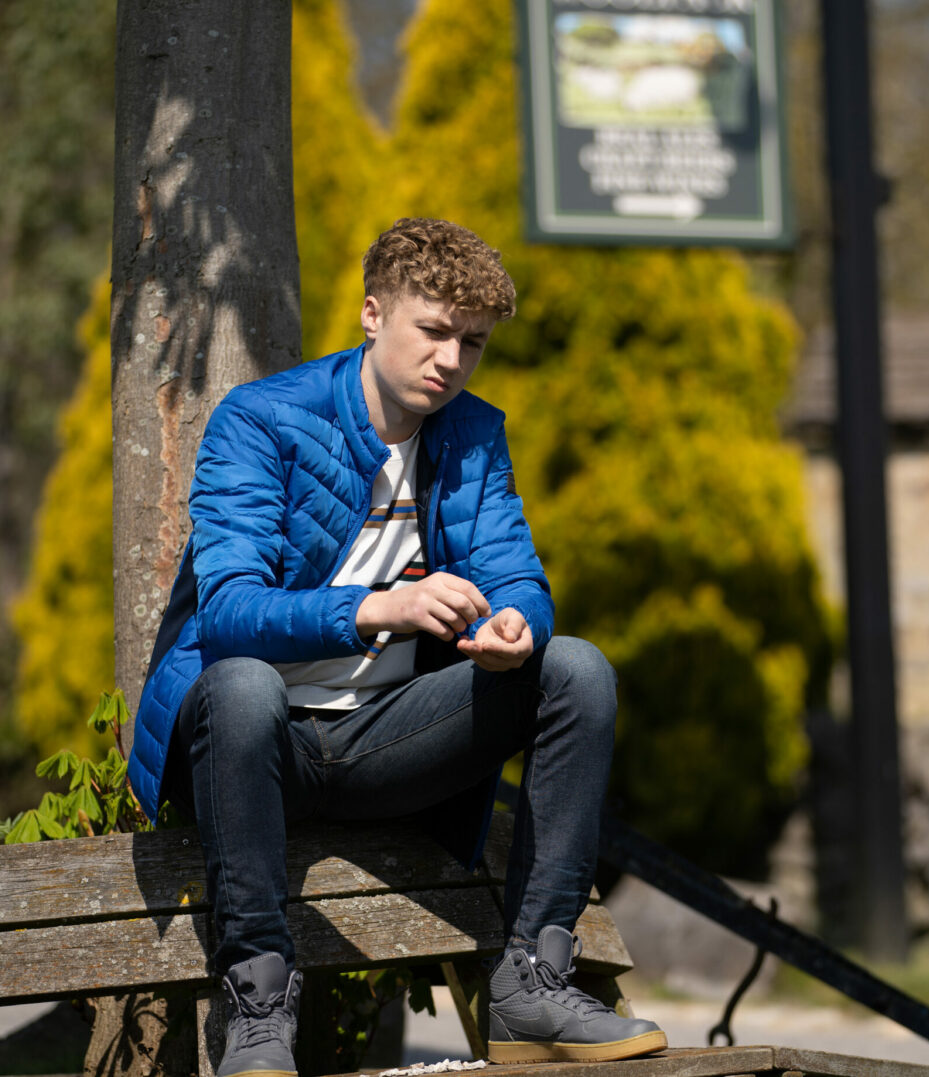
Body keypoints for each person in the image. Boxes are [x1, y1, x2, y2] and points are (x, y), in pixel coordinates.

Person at [129, 218, 666, 1077]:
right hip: (254, 749)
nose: (451, 360)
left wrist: (512, 628)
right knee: (241, 686)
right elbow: (228, 613)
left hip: (387, 740)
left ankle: (534, 984)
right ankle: (258, 1009)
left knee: (574, 669)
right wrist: (385, 607)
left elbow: (520, 579)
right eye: (435, 330)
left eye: (473, 342)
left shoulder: (472, 434)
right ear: (374, 314)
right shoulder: (261, 421)